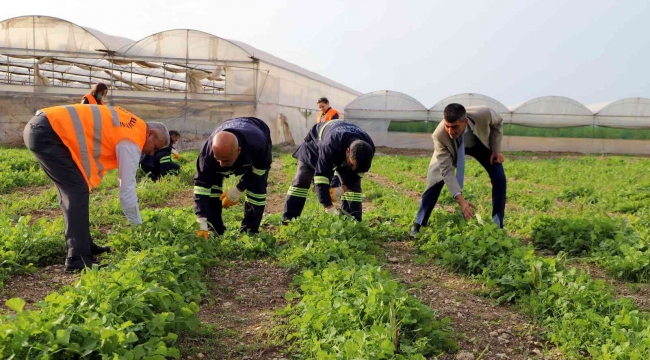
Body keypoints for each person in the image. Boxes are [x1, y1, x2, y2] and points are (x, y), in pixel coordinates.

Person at [23, 104, 169, 271]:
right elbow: (126, 189)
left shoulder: (132, 124)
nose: (151, 154)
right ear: (151, 134)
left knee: (77, 190)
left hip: (44, 127)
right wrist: (139, 227)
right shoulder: (132, 137)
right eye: (155, 148)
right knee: (76, 191)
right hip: (48, 132)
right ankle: (77, 258)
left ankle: (84, 245)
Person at [410, 103, 506, 237]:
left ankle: (498, 225)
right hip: (451, 148)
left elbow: (498, 123)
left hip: (479, 144)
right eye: (447, 126)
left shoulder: (484, 114)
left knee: (499, 177)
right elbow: (447, 172)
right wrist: (461, 200)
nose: (450, 131)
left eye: (454, 127)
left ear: (465, 122)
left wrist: (496, 150)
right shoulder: (440, 135)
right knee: (435, 180)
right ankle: (418, 225)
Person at [282, 120, 375, 222]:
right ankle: (289, 221)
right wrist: (328, 207)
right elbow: (321, 177)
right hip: (314, 146)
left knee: (354, 186)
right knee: (302, 179)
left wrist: (343, 188)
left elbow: (357, 173)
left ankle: (353, 222)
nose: (352, 168)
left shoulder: (368, 146)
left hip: (342, 146)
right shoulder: (331, 144)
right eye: (352, 164)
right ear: (347, 151)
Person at [194, 117, 272, 238]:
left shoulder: (258, 145)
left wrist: (238, 189)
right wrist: (201, 219)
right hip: (229, 129)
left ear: (238, 151)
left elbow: (260, 169)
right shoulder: (207, 155)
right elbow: (201, 186)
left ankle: (249, 231)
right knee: (212, 188)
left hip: (257, 129)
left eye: (225, 160)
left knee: (257, 190)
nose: (221, 164)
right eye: (218, 159)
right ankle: (214, 229)